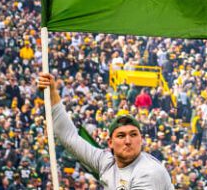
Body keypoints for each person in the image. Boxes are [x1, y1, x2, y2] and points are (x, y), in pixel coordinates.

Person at [36, 72, 174, 189]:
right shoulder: (106, 162)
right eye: (121, 136)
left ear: (141, 139)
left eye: (133, 135)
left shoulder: (149, 172)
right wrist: (52, 92)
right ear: (110, 143)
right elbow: (69, 138)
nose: (128, 141)